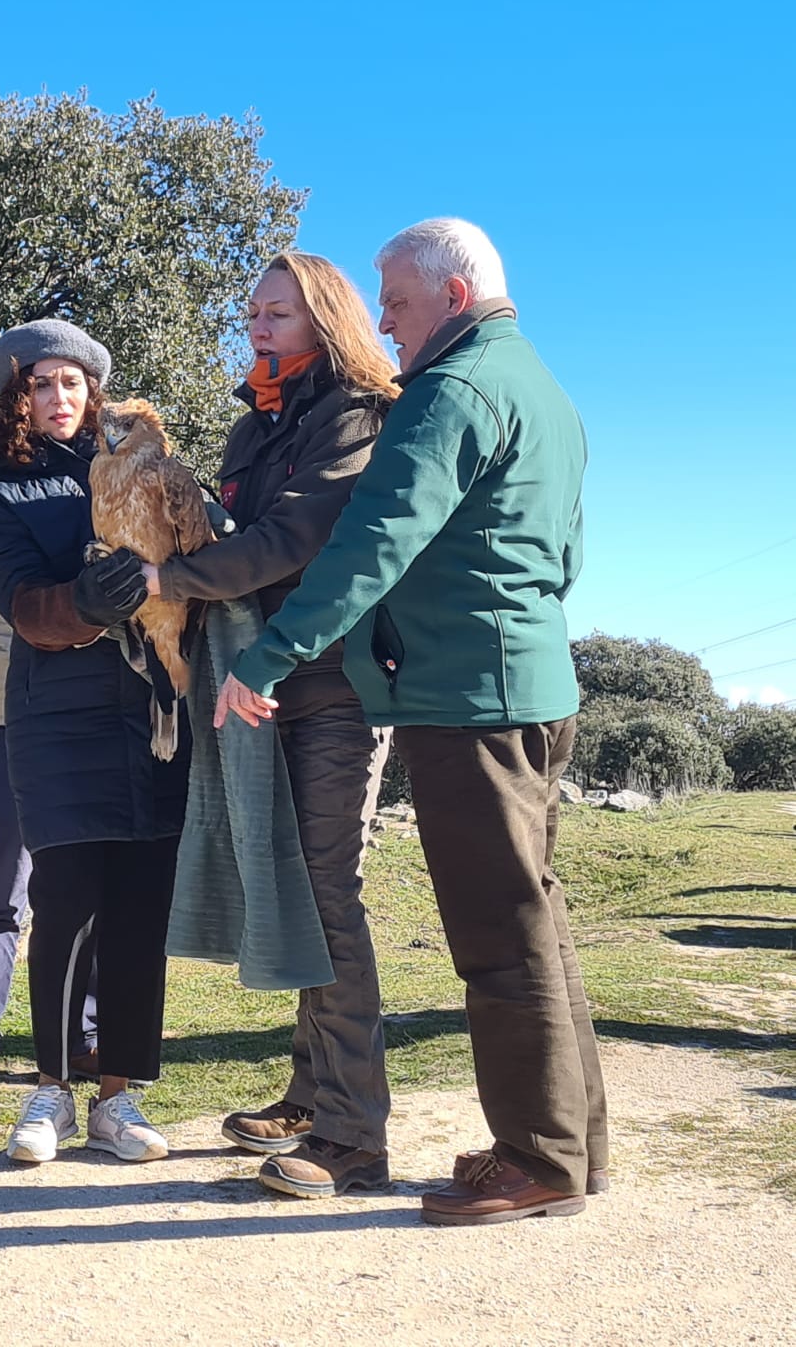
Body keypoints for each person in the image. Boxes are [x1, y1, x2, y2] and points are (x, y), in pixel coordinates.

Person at [216, 218, 609, 1226]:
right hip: (528, 686)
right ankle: (569, 1146)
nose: (383, 319)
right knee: (539, 924)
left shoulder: (450, 393)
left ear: (458, 293)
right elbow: (562, 557)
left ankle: (536, 1161)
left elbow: (370, 545)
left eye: (395, 299)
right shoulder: (543, 391)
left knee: (499, 937)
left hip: (468, 698)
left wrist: (267, 657)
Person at [145, 251, 399, 1199]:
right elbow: (230, 534)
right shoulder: (259, 419)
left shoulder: (354, 414)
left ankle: (353, 1138)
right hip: (262, 685)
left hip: (331, 686)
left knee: (330, 896)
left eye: (279, 313)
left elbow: (293, 542)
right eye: (252, 311)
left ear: (325, 319)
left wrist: (167, 581)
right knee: (293, 890)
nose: (258, 325)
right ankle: (309, 1095)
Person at [0, 318, 189, 1165]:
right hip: (55, 718)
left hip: (151, 713)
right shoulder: (0, 494)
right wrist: (84, 605)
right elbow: (23, 603)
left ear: (93, 392)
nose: (57, 400)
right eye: (38, 385)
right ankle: (51, 1093)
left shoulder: (141, 469)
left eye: (71, 384)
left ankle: (119, 1099)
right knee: (66, 904)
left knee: (139, 911)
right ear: (16, 399)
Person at [0, 535, 98, 1108]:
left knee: (89, 891)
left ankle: (83, 1037)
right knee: (4, 892)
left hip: (96, 720)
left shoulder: (104, 517)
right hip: (8, 726)